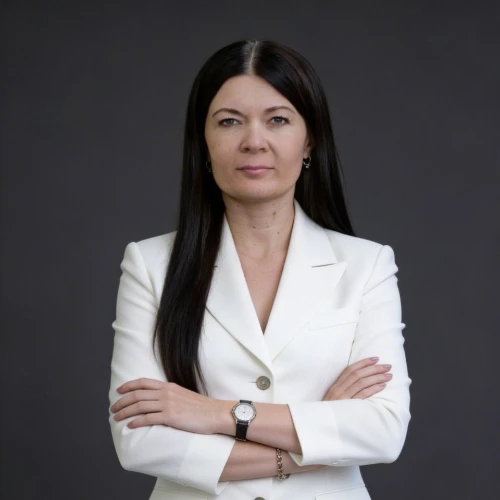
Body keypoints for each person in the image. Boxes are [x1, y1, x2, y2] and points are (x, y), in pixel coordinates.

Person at [108, 40, 411, 500]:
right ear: (204, 142)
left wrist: (214, 413)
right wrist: (316, 437)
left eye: (278, 120)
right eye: (229, 121)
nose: (254, 141)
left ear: (309, 140)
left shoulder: (366, 265)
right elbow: (140, 442)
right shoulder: (150, 265)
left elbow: (383, 430)